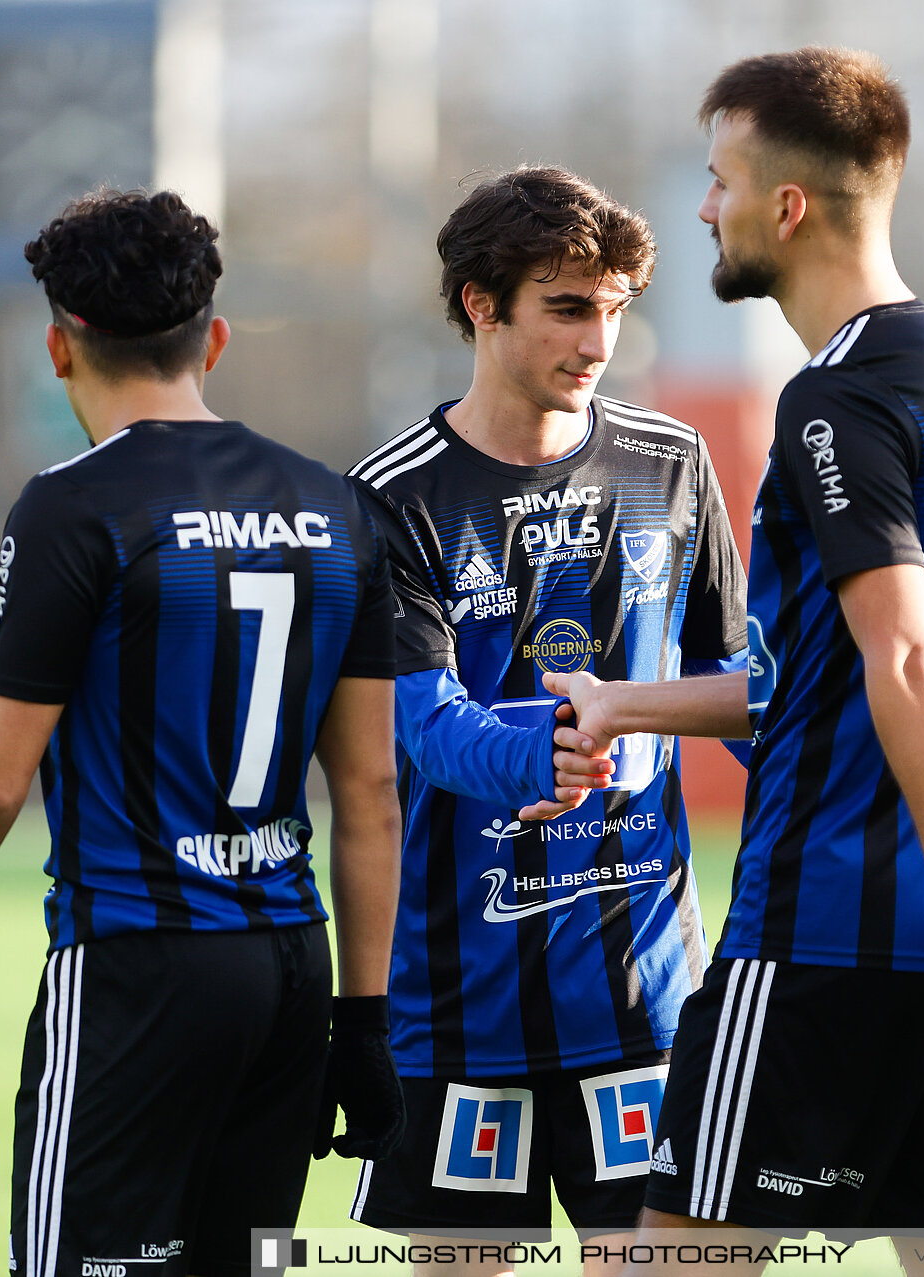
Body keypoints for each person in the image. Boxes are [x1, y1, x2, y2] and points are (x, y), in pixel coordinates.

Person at [527, 46, 924, 1258]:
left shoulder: (839, 397)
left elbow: (909, 659)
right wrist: (625, 703)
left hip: (829, 935)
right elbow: (815, 679)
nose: (703, 207)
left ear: (788, 205)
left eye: (719, 181)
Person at [0, 189, 404, 1277]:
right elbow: (371, 789)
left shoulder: (73, 506)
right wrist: (367, 1022)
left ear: (59, 346)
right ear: (215, 337)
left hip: (139, 972)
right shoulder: (337, 505)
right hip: (292, 974)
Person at [343, 167, 747, 1273]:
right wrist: (556, 745)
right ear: (481, 303)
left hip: (645, 997)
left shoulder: (671, 465)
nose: (601, 339)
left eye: (617, 308)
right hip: (461, 1009)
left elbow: (744, 678)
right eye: (569, 306)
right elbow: (421, 723)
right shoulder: (390, 498)